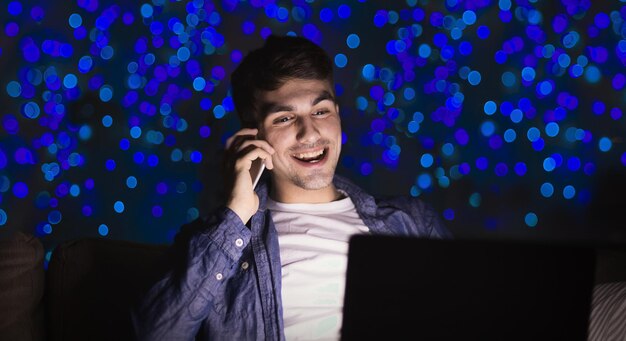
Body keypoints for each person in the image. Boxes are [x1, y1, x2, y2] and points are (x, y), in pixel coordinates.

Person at [133, 35, 450, 340]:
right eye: (284, 118)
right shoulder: (216, 242)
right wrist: (236, 213)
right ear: (252, 137)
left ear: (337, 116)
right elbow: (156, 334)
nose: (309, 133)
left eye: (320, 111)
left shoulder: (413, 221)